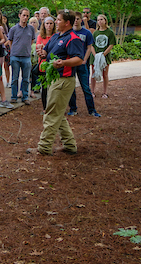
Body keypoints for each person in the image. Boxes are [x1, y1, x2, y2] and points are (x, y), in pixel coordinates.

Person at [34, 10, 85, 155]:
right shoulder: (57, 36)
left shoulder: (73, 38)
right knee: (58, 114)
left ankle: (43, 148)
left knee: (51, 114)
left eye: (58, 20)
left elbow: (79, 59)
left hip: (64, 81)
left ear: (67, 23)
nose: (56, 22)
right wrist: (43, 54)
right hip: (54, 79)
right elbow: (47, 53)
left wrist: (63, 63)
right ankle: (69, 146)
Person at [67, 12, 101, 117]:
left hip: (82, 64)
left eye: (78, 19)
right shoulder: (68, 32)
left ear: (81, 20)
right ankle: (73, 109)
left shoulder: (86, 33)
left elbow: (89, 47)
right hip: (71, 63)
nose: (76, 21)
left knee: (86, 87)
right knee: (71, 88)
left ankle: (92, 110)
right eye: (74, 19)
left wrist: (84, 60)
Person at [7, 8, 37, 105]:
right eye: (24, 15)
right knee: (14, 78)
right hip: (15, 56)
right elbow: (10, 41)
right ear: (19, 15)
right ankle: (13, 96)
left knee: (26, 78)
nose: (25, 17)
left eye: (27, 16)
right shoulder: (13, 29)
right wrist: (14, 51)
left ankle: (25, 96)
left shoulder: (31, 29)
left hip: (26, 57)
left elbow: (32, 40)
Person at [90, 14, 116, 99]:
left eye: (101, 19)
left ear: (105, 20)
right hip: (95, 56)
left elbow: (111, 44)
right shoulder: (95, 33)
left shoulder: (110, 32)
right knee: (93, 74)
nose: (100, 21)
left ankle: (105, 92)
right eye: (98, 20)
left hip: (105, 56)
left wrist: (103, 55)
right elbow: (91, 45)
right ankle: (92, 91)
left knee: (105, 74)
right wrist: (95, 55)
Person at [35, 16, 56, 111]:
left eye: (51, 23)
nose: (49, 25)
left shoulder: (56, 36)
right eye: (47, 23)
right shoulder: (40, 36)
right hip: (43, 65)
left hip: (53, 64)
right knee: (44, 88)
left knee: (54, 88)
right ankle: (45, 108)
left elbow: (56, 50)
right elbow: (39, 49)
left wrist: (45, 48)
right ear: (44, 25)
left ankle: (53, 107)